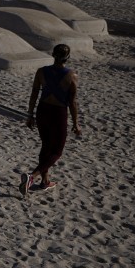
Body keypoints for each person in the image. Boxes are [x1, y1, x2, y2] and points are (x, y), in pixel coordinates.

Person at [21, 44, 82, 195]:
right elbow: (72, 102)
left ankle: (45, 181)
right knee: (57, 151)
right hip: (58, 113)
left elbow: (34, 93)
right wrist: (75, 123)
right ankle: (33, 177)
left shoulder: (41, 72)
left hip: (42, 110)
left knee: (46, 146)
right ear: (68, 57)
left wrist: (30, 115)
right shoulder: (71, 76)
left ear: (53, 55)